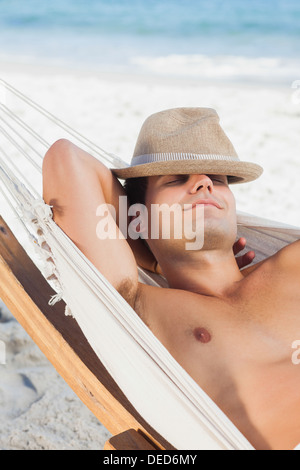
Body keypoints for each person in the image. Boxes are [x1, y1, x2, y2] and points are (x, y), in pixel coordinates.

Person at [42, 107, 299, 450]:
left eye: (217, 179)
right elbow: (67, 159)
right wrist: (155, 252)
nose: (204, 182)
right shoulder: (139, 307)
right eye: (176, 179)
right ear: (136, 218)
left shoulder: (292, 264)